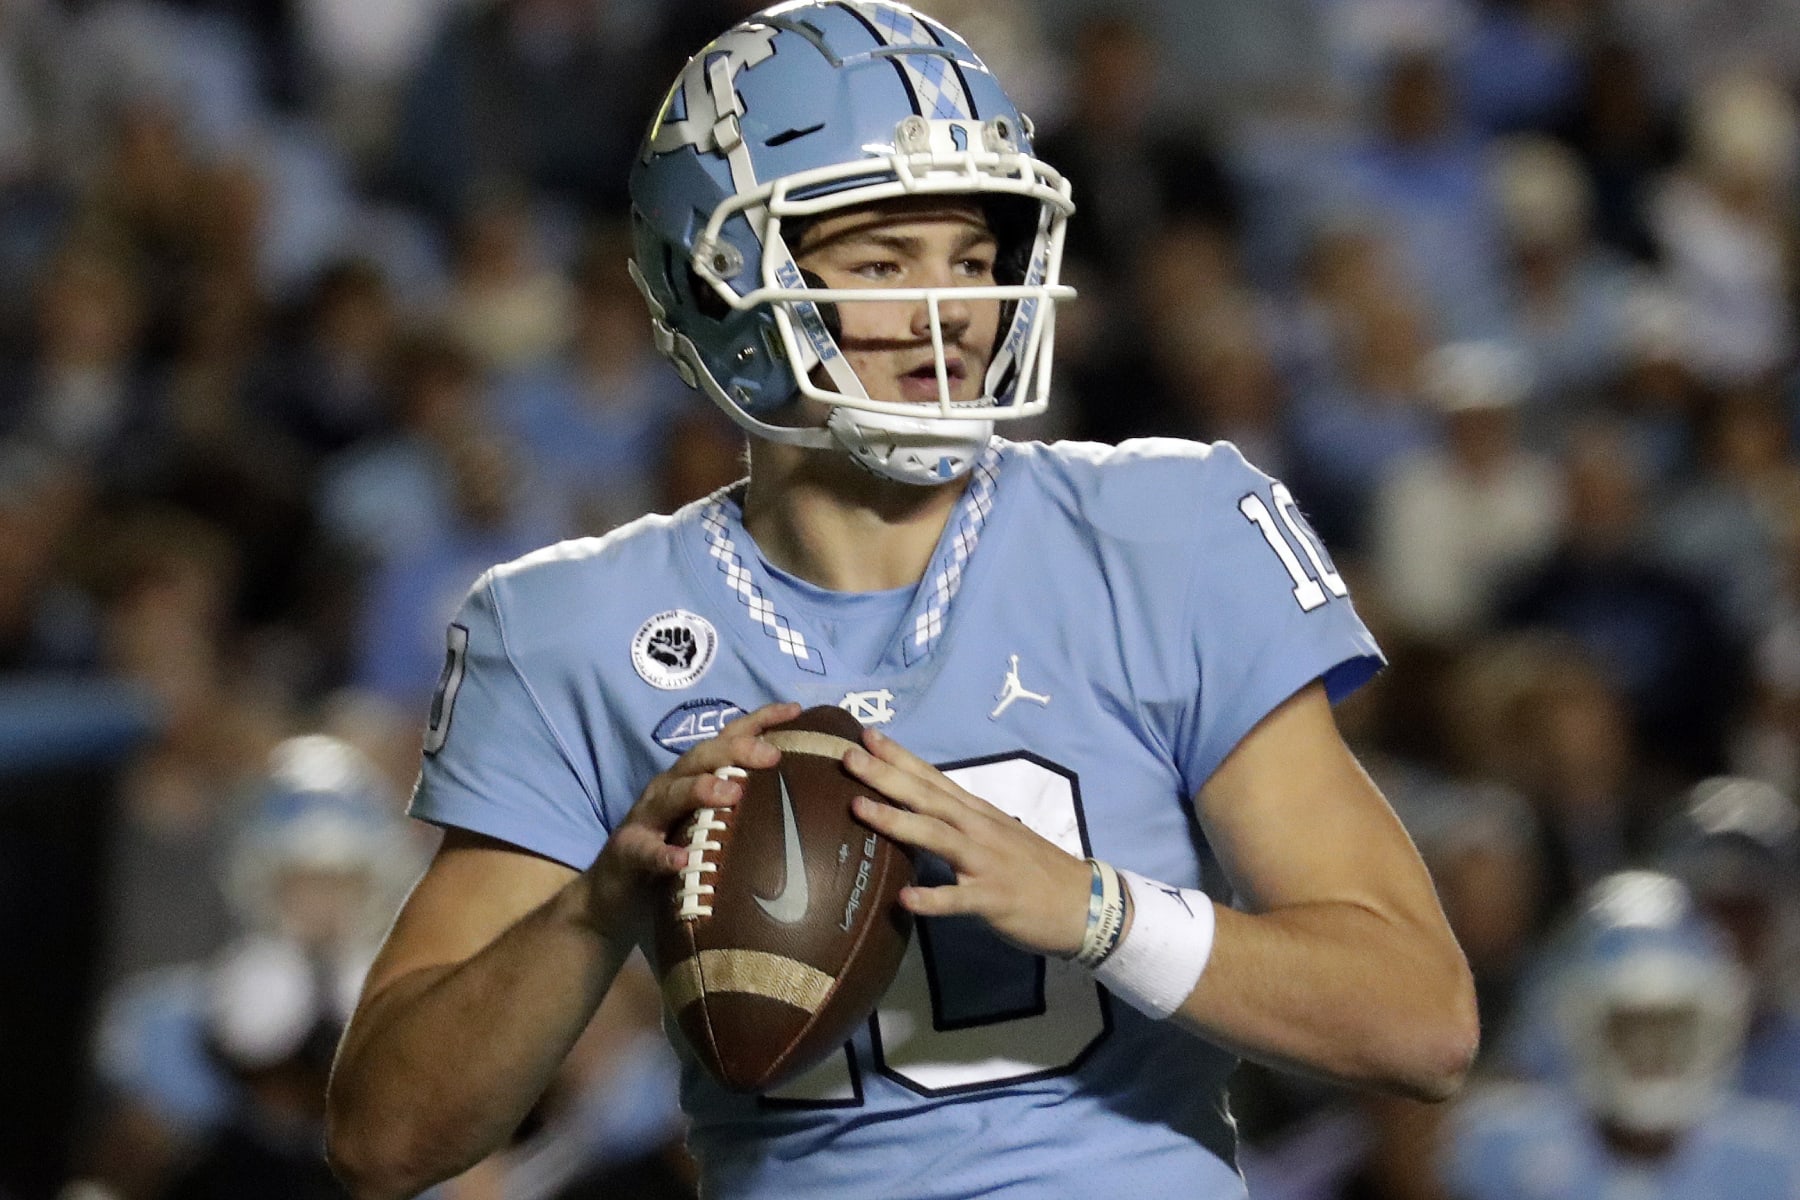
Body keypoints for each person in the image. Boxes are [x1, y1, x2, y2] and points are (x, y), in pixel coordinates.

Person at [324, 5, 1477, 1199]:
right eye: (885, 263)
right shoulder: (572, 626)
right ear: (724, 286)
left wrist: (1093, 911)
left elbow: (1419, 1020)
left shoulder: (1165, 534)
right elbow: (383, 1141)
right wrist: (597, 907)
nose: (954, 315)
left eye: (973, 259)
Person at [1444, 870, 1800, 1199]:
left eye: (1672, 1028)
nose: (1654, 1053)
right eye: (1633, 1028)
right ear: (1580, 1025)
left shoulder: (1776, 1160)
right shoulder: (1501, 1148)